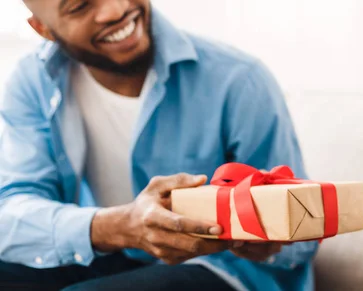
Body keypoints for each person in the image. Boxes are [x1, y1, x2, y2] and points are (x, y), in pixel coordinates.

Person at [0, 1, 318, 290]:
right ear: (43, 29)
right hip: (115, 255)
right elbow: (13, 209)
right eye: (81, 6)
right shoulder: (33, 82)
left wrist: (266, 237)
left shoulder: (238, 79)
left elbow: (303, 234)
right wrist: (118, 227)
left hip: (227, 268)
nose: (114, 10)